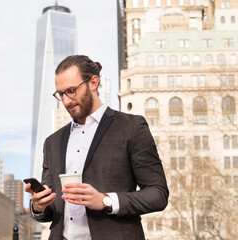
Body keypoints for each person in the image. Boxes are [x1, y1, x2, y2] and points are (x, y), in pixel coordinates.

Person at [25, 55, 169, 239]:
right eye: (61, 94)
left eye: (71, 90)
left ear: (93, 83)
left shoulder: (131, 127)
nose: (66, 101)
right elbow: (51, 210)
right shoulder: (52, 142)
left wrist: (105, 200)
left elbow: (158, 194)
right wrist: (39, 206)